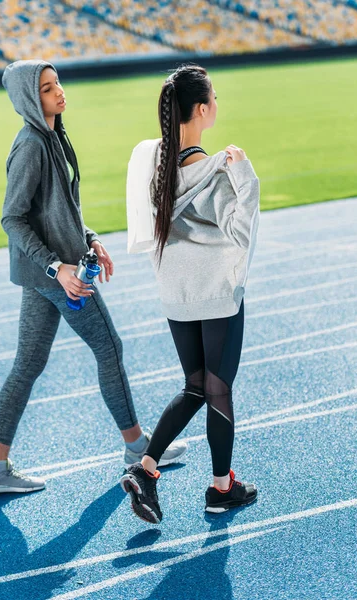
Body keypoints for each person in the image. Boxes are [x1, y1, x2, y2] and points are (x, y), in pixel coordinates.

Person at [0, 60, 186, 497]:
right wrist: (59, 267)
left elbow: (59, 212)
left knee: (28, 364)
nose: (58, 92)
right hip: (56, 274)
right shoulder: (31, 145)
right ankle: (137, 447)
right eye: (45, 88)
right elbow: (13, 219)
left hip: (50, 270)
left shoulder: (54, 137)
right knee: (109, 347)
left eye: (57, 83)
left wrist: (90, 239)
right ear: (27, 99)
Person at [120, 64, 260, 523]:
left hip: (176, 294)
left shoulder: (155, 168)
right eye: (214, 97)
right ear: (201, 109)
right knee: (217, 389)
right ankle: (222, 487)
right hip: (216, 294)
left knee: (195, 385)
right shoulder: (217, 172)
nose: (217, 103)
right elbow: (241, 234)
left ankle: (146, 469)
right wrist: (246, 177)